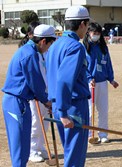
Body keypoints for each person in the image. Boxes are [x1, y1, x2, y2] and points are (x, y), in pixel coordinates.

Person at [2, 24, 56, 167]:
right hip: (16, 101)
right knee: (20, 145)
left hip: (19, 100)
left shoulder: (28, 50)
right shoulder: (30, 54)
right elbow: (35, 81)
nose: (49, 48)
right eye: (50, 44)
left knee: (23, 144)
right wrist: (46, 101)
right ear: (43, 41)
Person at [46, 6, 91, 167]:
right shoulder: (75, 46)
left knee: (69, 151)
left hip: (59, 104)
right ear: (82, 24)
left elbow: (51, 76)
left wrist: (55, 103)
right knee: (75, 157)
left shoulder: (55, 45)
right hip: (72, 107)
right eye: (87, 26)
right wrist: (64, 111)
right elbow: (64, 80)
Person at [19, 21, 52, 163]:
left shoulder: (44, 51)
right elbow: (33, 77)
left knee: (44, 122)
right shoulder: (31, 53)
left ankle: (40, 146)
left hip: (46, 91)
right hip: (37, 94)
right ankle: (32, 150)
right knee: (35, 122)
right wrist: (40, 95)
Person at [83, 22, 119, 143]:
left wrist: (111, 79)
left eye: (98, 34)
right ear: (88, 33)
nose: (96, 35)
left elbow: (107, 63)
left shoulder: (103, 47)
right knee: (89, 109)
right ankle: (89, 133)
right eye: (94, 33)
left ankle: (103, 133)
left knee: (103, 109)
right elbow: (82, 66)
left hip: (102, 81)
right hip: (90, 83)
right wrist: (89, 77)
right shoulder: (83, 47)